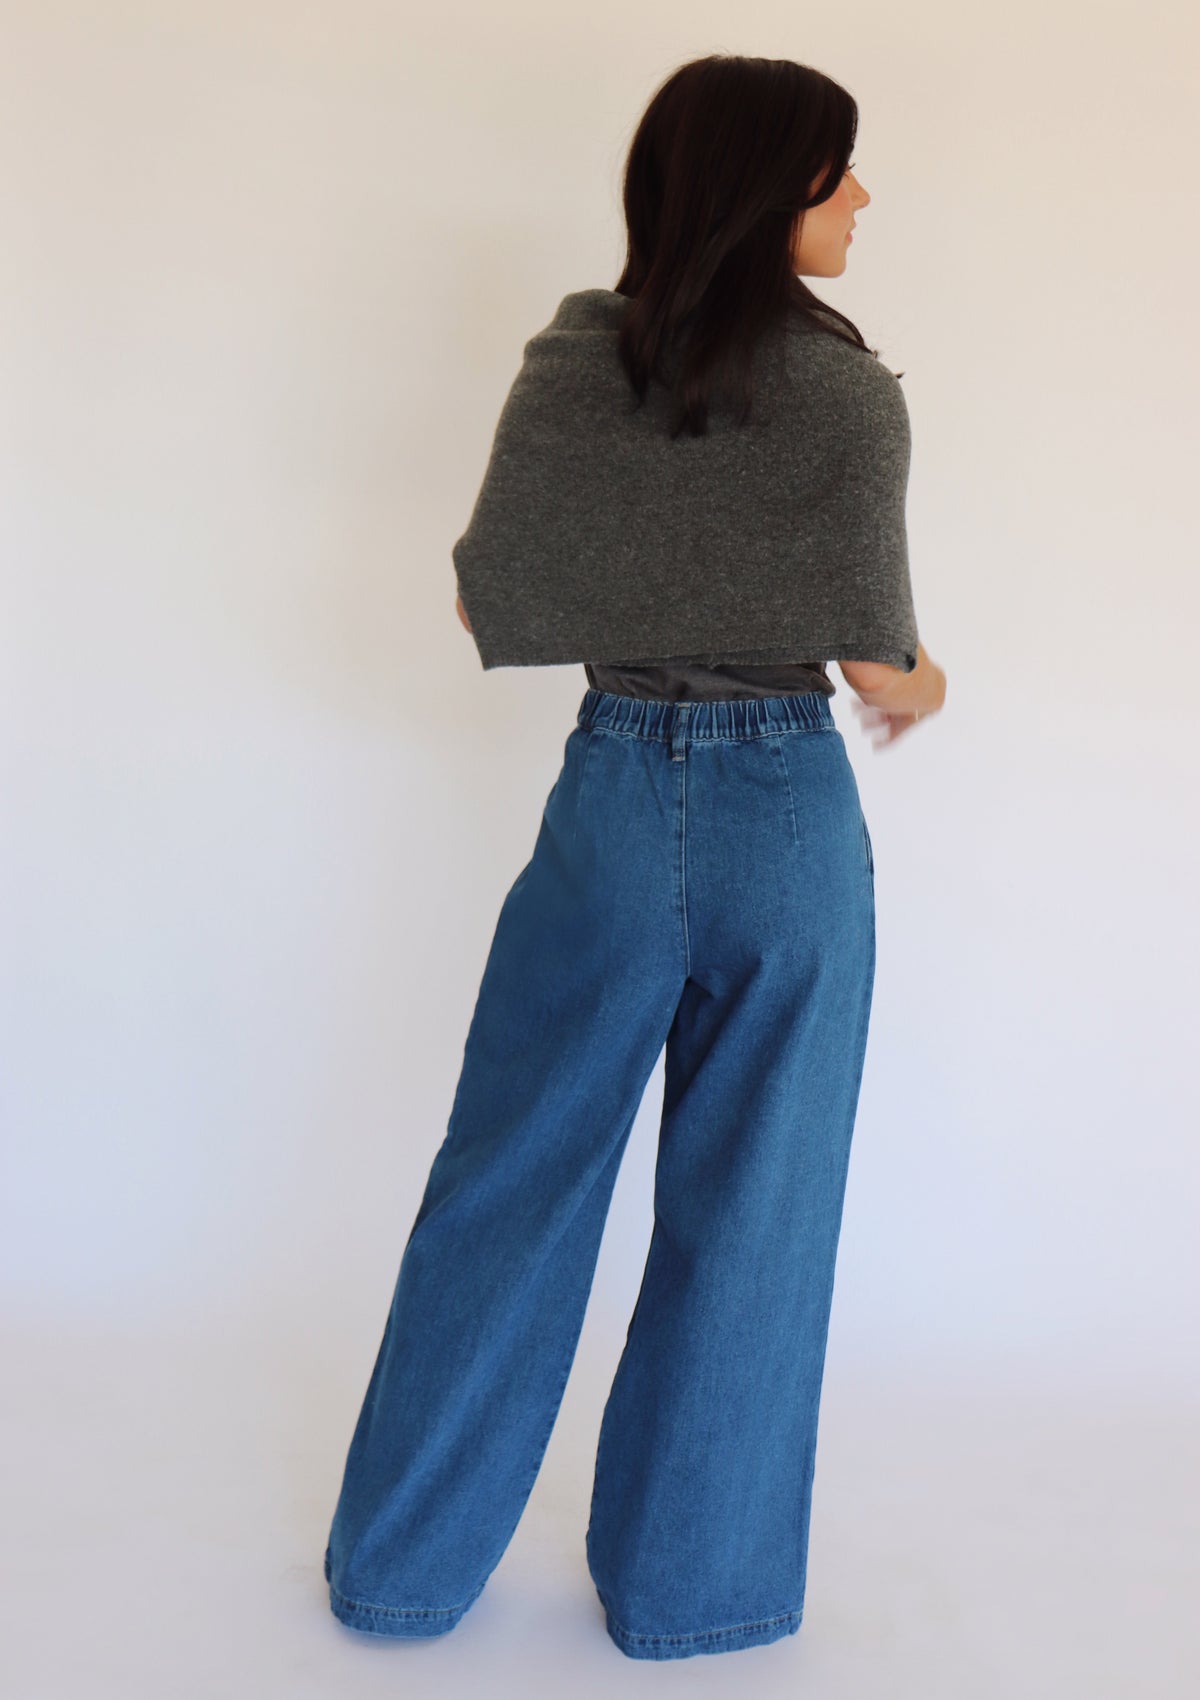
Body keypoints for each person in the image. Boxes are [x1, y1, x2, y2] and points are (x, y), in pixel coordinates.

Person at [324, 52, 947, 1663]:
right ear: (773, 188)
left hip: (611, 796)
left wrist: (651, 586)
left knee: (507, 1182)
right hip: (790, 823)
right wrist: (926, 686)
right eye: (841, 172)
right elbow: (879, 658)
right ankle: (694, 1596)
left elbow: (491, 598)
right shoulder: (852, 392)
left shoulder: (583, 356)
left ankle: (399, 1574)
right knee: (756, 1216)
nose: (862, 199)